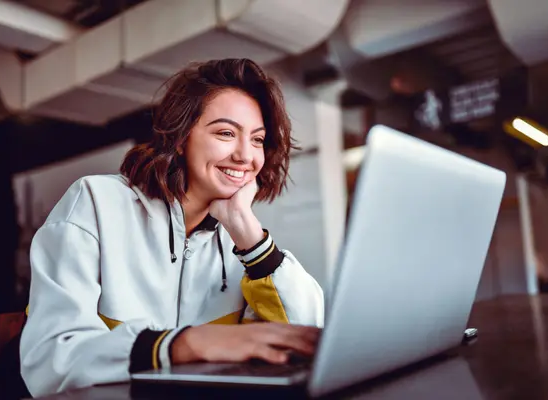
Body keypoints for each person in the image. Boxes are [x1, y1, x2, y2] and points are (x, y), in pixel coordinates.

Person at [20, 59, 325, 397]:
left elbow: (304, 338)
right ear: (181, 138)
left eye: (257, 140)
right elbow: (49, 362)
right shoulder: (95, 201)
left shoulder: (241, 239)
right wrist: (185, 344)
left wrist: (248, 233)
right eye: (226, 133)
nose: (245, 155)